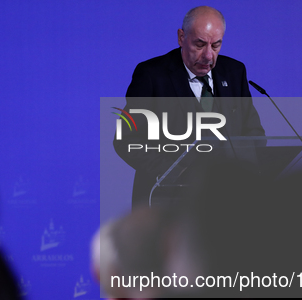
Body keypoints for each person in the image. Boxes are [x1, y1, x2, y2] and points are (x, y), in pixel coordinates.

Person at [114, 6, 265, 208]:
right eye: (200, 44)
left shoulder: (234, 72)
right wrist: (175, 172)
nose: (208, 56)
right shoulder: (151, 75)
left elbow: (253, 133)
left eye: (216, 45)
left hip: (227, 203)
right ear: (181, 37)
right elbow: (126, 139)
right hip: (167, 202)